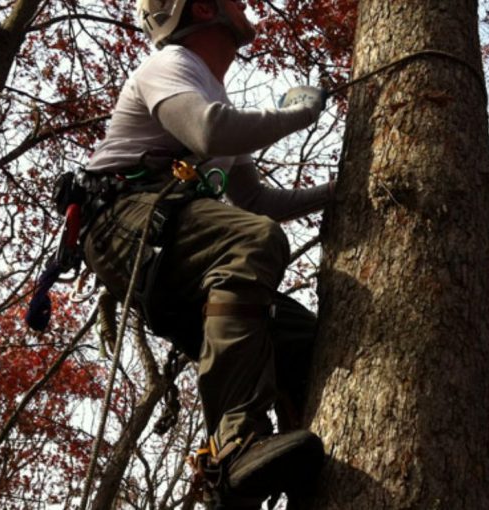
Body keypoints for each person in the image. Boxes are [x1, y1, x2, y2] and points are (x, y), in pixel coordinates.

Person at [81, 0, 331, 506]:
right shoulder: (171, 65)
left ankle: (274, 476)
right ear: (202, 7)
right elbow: (210, 131)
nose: (243, 5)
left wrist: (339, 191)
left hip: (169, 245)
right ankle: (237, 444)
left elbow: (257, 200)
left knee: (300, 340)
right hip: (122, 220)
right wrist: (297, 114)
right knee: (250, 239)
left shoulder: (209, 89)